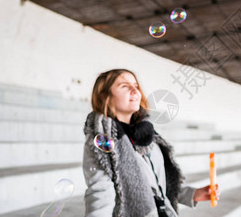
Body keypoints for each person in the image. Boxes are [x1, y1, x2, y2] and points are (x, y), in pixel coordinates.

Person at [83, 69, 219, 216]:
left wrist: (193, 194)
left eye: (135, 85)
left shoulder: (148, 133)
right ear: (104, 97)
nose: (134, 90)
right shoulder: (102, 140)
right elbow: (100, 193)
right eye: (124, 86)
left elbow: (160, 185)